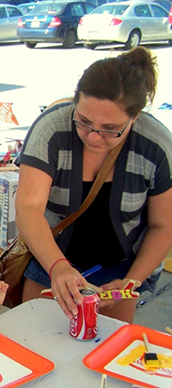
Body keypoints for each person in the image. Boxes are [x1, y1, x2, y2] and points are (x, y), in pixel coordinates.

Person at [15, 46, 172, 324]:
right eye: (84, 121)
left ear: (134, 118)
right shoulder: (51, 129)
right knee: (33, 341)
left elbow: (164, 225)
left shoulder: (156, 144)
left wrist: (131, 282)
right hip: (51, 257)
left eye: (111, 129)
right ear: (75, 101)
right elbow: (29, 208)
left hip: (119, 270)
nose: (93, 137)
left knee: (107, 352)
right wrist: (58, 267)